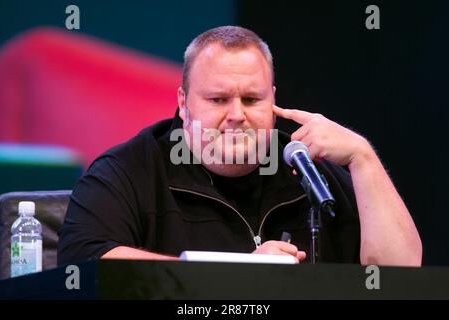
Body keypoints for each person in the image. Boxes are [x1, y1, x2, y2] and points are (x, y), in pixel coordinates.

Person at [57, 26, 422, 266]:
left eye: (251, 100)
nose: (236, 115)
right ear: (183, 104)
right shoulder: (130, 169)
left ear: (273, 100)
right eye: (217, 100)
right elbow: (82, 263)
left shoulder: (308, 168)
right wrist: (244, 273)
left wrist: (363, 157)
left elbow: (401, 277)